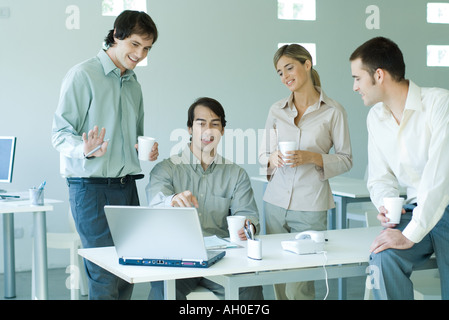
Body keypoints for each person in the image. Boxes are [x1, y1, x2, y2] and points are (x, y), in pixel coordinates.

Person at [52, 10, 159, 300]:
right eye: (135, 44)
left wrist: (143, 148)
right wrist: (83, 149)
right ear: (116, 35)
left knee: (129, 271)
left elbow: (135, 134)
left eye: (147, 48)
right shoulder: (83, 75)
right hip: (90, 189)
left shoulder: (133, 83)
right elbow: (59, 134)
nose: (140, 53)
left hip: (127, 187)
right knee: (103, 274)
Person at [350, 36, 449, 300]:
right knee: (383, 258)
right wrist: (386, 206)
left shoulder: (440, 104)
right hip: (416, 209)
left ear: (379, 75)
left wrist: (411, 234)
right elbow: (380, 176)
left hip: (446, 207)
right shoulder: (376, 118)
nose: (354, 87)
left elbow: (439, 180)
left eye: (357, 78)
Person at [258, 44, 352, 300]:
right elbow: (262, 154)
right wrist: (272, 158)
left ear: (307, 64)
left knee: (301, 283)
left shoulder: (333, 111)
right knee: (277, 274)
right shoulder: (276, 110)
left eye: (289, 67)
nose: (285, 76)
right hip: (275, 203)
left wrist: (313, 157)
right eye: (279, 72)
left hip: (311, 205)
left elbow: (346, 159)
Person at [146, 97, 263, 300]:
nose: (208, 130)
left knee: (250, 289)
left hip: (223, 258)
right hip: (177, 257)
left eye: (215, 124)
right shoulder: (166, 169)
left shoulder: (236, 174)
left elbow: (249, 216)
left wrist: (248, 227)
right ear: (190, 128)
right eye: (201, 123)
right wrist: (172, 200)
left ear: (223, 130)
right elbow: (156, 203)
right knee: (162, 292)